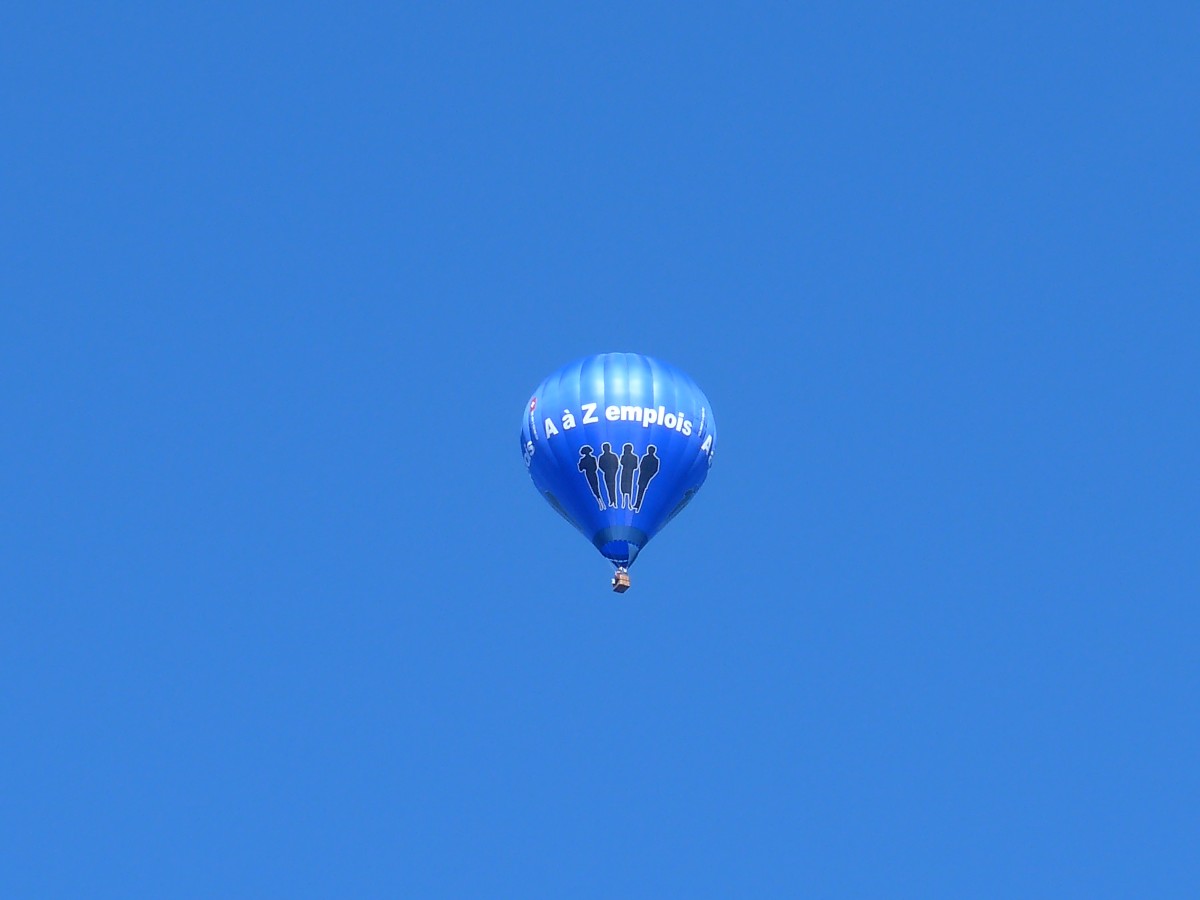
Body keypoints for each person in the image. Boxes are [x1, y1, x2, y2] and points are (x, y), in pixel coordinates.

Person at [633, 445, 659, 511]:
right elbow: (641, 466)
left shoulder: (655, 460)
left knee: (641, 491)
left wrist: (649, 476)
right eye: (649, 450)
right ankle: (637, 504)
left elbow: (655, 470)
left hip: (646, 477)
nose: (649, 451)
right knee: (639, 490)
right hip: (642, 475)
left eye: (650, 450)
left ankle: (638, 505)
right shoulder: (645, 457)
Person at [598, 442, 620, 507]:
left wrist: (614, 472)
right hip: (607, 473)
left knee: (613, 487)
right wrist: (605, 471)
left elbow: (616, 464)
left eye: (606, 448)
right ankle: (612, 500)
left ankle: (614, 501)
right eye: (605, 448)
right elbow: (600, 465)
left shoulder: (613, 456)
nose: (606, 449)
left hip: (612, 473)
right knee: (609, 487)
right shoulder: (602, 457)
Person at [618, 443, 639, 509]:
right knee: (628, 487)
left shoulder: (624, 456)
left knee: (626, 487)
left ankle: (626, 502)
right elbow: (635, 466)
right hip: (629, 472)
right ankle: (626, 502)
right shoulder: (634, 457)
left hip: (626, 472)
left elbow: (622, 463)